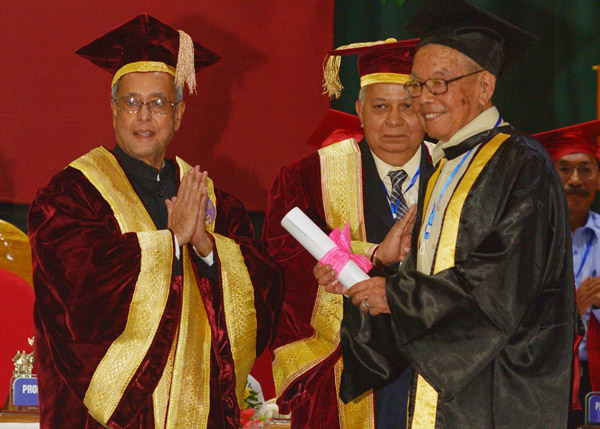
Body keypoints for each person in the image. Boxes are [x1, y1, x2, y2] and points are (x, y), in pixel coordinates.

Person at [316, 0, 575, 426]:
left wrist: (395, 296)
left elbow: (501, 283)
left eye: (439, 84)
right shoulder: (444, 169)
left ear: (485, 87)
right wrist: (379, 272)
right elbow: (441, 282)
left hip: (499, 389)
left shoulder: (521, 164)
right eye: (417, 85)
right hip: (446, 393)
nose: (423, 100)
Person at [28, 14, 281, 428]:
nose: (144, 115)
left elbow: (265, 292)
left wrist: (207, 247)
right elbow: (77, 297)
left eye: (159, 103)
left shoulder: (213, 201)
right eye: (131, 102)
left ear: (179, 113)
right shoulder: (71, 195)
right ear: (113, 109)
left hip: (201, 411)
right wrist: (169, 241)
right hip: (112, 419)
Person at [262, 38, 432, 428]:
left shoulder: (457, 177)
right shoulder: (306, 177)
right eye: (380, 106)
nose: (394, 120)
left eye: (407, 106)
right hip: (343, 373)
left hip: (439, 368)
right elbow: (279, 266)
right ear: (358, 110)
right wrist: (368, 256)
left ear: (425, 108)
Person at [535, 120, 600, 428]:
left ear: (598, 179)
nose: (576, 180)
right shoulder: (527, 237)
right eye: (564, 169)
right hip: (542, 375)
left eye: (586, 169)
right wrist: (572, 310)